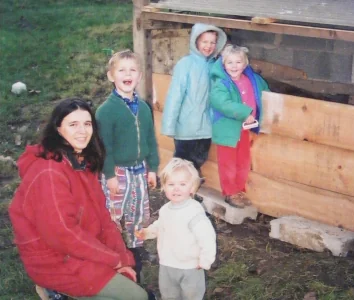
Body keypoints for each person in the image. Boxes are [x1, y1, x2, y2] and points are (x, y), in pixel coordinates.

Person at [8, 98, 149, 300]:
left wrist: (123, 258)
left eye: (87, 123)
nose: (82, 131)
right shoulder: (50, 172)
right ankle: (54, 291)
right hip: (54, 259)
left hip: (80, 248)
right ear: (58, 129)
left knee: (132, 277)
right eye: (73, 124)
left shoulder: (82, 162)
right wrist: (113, 260)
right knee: (137, 297)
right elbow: (62, 234)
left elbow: (103, 218)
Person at [96, 49, 160, 283]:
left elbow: (150, 139)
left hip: (140, 170)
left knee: (138, 210)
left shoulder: (143, 108)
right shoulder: (106, 111)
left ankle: (135, 248)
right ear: (111, 76)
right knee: (113, 211)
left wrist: (152, 167)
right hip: (118, 171)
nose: (127, 74)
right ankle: (109, 249)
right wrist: (109, 173)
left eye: (132, 70)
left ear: (140, 76)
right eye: (121, 70)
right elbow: (105, 147)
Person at [136, 158, 216, 300]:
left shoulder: (194, 212)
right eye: (171, 184)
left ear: (192, 188)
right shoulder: (166, 210)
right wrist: (148, 232)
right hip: (167, 264)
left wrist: (205, 260)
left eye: (182, 184)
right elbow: (161, 225)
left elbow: (207, 237)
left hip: (190, 266)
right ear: (164, 187)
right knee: (169, 295)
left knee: (191, 296)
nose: (176, 188)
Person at [161, 23, 227, 181]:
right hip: (186, 127)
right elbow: (174, 96)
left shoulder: (216, 66)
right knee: (181, 164)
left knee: (198, 161)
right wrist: (169, 125)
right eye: (204, 41)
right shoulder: (186, 64)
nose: (208, 46)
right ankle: (176, 192)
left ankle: (189, 192)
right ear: (195, 42)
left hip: (206, 127)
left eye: (212, 42)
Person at [210, 44, 270, 208]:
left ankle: (239, 190)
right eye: (230, 62)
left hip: (244, 129)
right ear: (223, 64)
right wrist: (244, 112)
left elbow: (265, 92)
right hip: (227, 130)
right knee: (228, 162)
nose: (234, 66)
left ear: (245, 64)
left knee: (243, 160)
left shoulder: (252, 80)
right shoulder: (221, 84)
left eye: (238, 62)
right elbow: (222, 103)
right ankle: (230, 192)